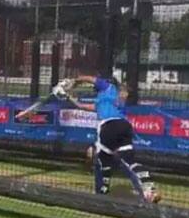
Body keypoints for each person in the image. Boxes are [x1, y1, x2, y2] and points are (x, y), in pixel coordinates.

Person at [58, 75, 161, 203]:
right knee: (128, 159)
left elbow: (89, 78)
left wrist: (74, 81)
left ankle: (102, 193)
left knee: (101, 159)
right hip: (124, 126)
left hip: (108, 126)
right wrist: (67, 96)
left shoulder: (108, 88)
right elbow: (81, 106)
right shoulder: (103, 100)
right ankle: (149, 189)